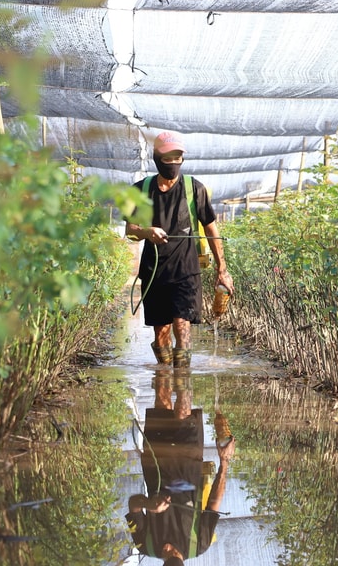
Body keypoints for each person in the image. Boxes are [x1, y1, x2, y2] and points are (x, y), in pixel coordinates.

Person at [125, 131, 234, 367]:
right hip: (154, 272)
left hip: (186, 272)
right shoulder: (140, 191)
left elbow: (211, 229)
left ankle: (183, 389)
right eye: (168, 158)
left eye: (178, 157)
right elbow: (130, 229)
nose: (174, 163)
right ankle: (163, 383)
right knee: (161, 333)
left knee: (182, 327)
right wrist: (147, 232)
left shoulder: (195, 189)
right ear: (157, 158)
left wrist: (222, 269)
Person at [126, 367, 236, 562]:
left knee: (162, 395)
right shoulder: (199, 544)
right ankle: (183, 360)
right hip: (188, 460)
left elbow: (133, 504)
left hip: (155, 459)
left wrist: (148, 504)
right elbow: (213, 505)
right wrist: (224, 461)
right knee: (183, 405)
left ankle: (167, 360)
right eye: (173, 551)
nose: (167, 547)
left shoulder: (144, 544)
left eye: (165, 552)